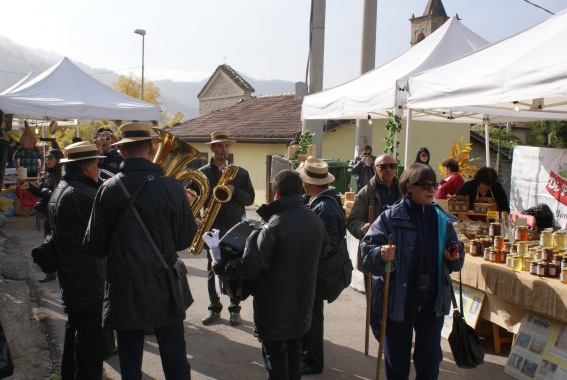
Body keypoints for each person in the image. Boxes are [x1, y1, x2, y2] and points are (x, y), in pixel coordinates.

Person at [85, 122, 197, 379]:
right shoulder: (171, 187)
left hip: (123, 285)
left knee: (129, 358)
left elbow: (95, 246)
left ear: (122, 152)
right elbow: (184, 240)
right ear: (150, 148)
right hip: (163, 284)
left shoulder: (106, 189)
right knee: (174, 356)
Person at [212, 170, 328, 380]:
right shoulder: (314, 219)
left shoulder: (272, 227)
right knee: (293, 352)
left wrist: (221, 267)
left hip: (274, 310)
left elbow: (251, 267)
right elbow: (325, 251)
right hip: (303, 305)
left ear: (275, 195)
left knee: (276, 360)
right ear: (301, 190)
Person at [360, 163, 464, 379]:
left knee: (429, 361)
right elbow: (366, 251)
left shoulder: (441, 219)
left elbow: (456, 255)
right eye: (424, 185)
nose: (431, 189)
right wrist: (381, 253)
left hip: (432, 303)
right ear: (408, 186)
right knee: (397, 362)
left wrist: (454, 255)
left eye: (433, 184)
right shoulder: (390, 218)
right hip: (399, 301)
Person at [47, 141, 106, 379]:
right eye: (95, 164)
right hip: (85, 275)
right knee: (90, 342)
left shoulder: (63, 187)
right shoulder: (82, 194)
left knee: (75, 331)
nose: (98, 170)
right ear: (86, 166)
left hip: (72, 274)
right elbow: (104, 233)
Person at [198, 130, 255, 326]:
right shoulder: (203, 173)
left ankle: (234, 309)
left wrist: (234, 190)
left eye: (226, 146)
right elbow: (197, 201)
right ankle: (214, 308)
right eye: (220, 146)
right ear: (212, 147)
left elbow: (250, 199)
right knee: (212, 269)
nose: (224, 149)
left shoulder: (240, 172)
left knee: (235, 269)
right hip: (212, 228)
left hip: (235, 227)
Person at [297, 158, 346, 375]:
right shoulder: (323, 200)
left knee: (312, 318)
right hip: (318, 270)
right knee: (311, 316)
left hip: (319, 272)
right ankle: (308, 356)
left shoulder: (324, 206)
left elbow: (329, 242)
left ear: (309, 184)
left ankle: (313, 361)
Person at [27, 148, 64, 283]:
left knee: (56, 242)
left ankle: (57, 272)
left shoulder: (62, 175)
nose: (47, 160)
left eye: (50, 157)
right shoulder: (49, 175)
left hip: (57, 214)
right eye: (46, 157)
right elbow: (41, 191)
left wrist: (44, 191)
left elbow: (56, 194)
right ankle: (50, 272)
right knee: (48, 242)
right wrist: (29, 187)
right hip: (49, 213)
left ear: (58, 160)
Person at [347, 154, 401, 240]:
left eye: (392, 166)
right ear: (375, 169)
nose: (388, 169)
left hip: (400, 244)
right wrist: (363, 228)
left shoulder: (404, 191)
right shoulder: (365, 193)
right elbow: (353, 222)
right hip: (374, 245)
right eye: (383, 166)